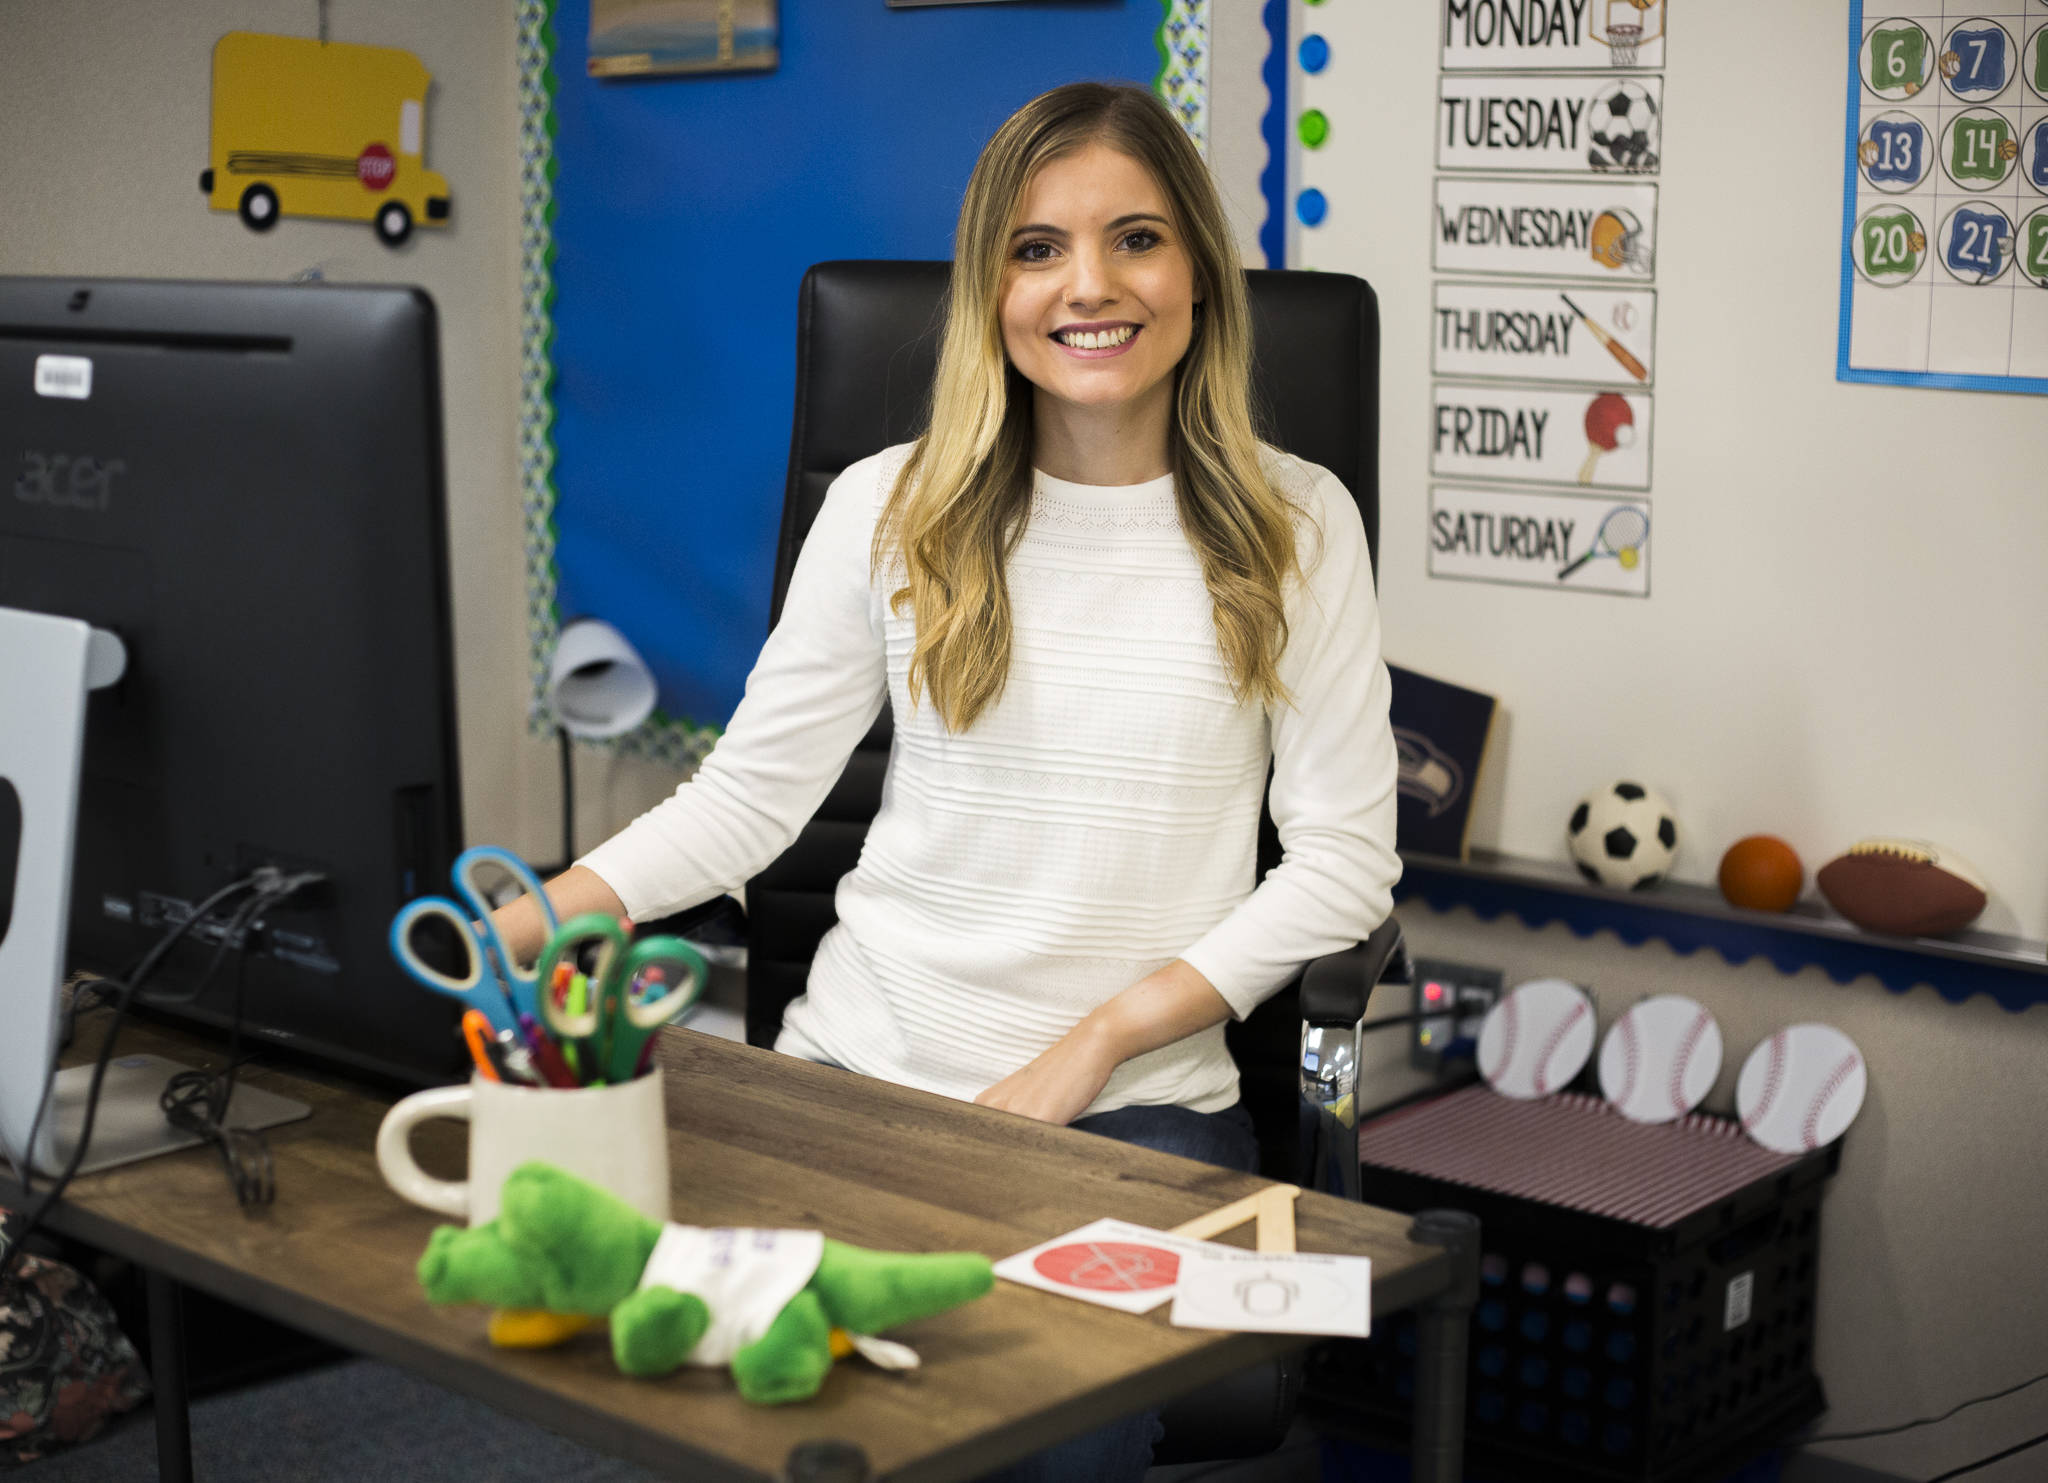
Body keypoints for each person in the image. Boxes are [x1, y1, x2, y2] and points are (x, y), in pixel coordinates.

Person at [498, 80, 1399, 1480]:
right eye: (1037, 248)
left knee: (1049, 1435)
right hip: (856, 1084)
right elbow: (751, 801)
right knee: (715, 1379)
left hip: (1137, 1120)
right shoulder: (888, 505)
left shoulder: (1298, 526)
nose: (1087, 287)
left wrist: (1093, 1044)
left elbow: (1345, 864)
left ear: (1200, 272)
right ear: (990, 286)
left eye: (1136, 238)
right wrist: (547, 911)